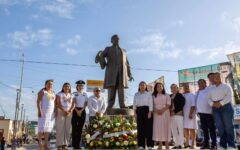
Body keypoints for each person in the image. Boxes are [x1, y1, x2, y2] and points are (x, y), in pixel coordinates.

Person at [95, 34, 134, 109]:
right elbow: (101, 57)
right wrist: (99, 59)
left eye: (118, 39)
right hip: (111, 74)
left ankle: (122, 105)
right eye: (115, 39)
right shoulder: (108, 49)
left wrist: (130, 74)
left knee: (121, 90)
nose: (117, 40)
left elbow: (127, 64)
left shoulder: (123, 51)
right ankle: (110, 106)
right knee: (111, 90)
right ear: (111, 41)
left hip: (122, 74)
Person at [208, 72, 236, 149]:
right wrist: (212, 104)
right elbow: (208, 98)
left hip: (226, 107)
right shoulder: (211, 88)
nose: (217, 77)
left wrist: (221, 103)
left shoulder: (226, 86)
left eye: (218, 76)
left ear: (221, 77)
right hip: (215, 108)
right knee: (220, 127)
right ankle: (222, 145)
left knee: (228, 126)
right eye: (215, 76)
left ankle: (231, 145)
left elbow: (229, 96)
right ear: (213, 78)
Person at [196, 79, 217, 149]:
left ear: (205, 83)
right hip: (201, 114)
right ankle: (206, 144)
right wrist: (197, 112)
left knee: (212, 129)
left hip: (209, 113)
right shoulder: (197, 92)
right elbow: (197, 102)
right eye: (199, 83)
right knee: (204, 130)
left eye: (202, 83)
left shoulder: (209, 90)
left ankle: (214, 144)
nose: (200, 84)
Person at [133, 81, 154, 149]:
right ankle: (141, 145)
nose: (142, 86)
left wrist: (150, 112)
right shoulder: (136, 94)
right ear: (139, 86)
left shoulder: (149, 94)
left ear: (145, 86)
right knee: (140, 129)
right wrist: (135, 113)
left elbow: (151, 103)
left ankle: (150, 145)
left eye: (143, 85)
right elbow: (134, 104)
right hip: (139, 111)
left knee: (149, 128)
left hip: (147, 111)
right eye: (141, 85)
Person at [37, 79, 55, 150]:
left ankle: (46, 144)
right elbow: (38, 101)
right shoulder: (42, 91)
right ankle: (40, 144)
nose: (50, 85)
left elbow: (53, 103)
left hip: (51, 114)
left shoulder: (53, 93)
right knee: (41, 128)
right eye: (49, 84)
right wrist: (39, 110)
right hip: (43, 112)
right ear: (45, 85)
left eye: (51, 84)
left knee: (48, 129)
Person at [56, 83, 75, 150]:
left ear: (70, 88)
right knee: (60, 128)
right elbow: (57, 103)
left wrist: (70, 111)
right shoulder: (59, 94)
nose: (67, 87)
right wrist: (64, 110)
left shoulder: (72, 95)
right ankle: (59, 145)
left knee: (68, 128)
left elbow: (73, 104)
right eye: (65, 86)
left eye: (68, 86)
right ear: (63, 87)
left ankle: (65, 145)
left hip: (69, 113)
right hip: (61, 111)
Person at [152, 82, 171, 150]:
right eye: (158, 86)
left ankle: (166, 144)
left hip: (165, 113)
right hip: (156, 114)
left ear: (163, 87)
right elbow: (152, 105)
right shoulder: (153, 96)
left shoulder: (167, 95)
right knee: (158, 128)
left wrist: (162, 110)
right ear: (156, 88)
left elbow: (168, 104)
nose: (159, 87)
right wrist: (156, 110)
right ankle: (160, 144)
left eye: (160, 86)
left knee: (166, 127)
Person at [71, 80, 88, 149]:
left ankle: (78, 145)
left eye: (81, 86)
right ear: (77, 87)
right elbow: (73, 102)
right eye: (79, 86)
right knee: (74, 128)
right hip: (75, 111)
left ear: (83, 87)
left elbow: (86, 103)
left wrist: (81, 110)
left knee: (80, 129)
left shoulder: (85, 94)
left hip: (82, 111)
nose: (80, 87)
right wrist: (77, 110)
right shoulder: (74, 93)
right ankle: (74, 145)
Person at [170, 84, 185, 149]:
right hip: (171, 115)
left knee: (180, 130)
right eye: (172, 88)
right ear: (171, 89)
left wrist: (175, 111)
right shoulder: (169, 96)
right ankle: (176, 144)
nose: (174, 89)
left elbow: (182, 104)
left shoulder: (180, 95)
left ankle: (181, 144)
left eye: (175, 87)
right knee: (173, 130)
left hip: (178, 114)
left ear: (177, 88)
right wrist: (170, 112)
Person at [183, 83, 197, 149]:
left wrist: (190, 113)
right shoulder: (182, 95)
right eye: (185, 86)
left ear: (189, 87)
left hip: (190, 114)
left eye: (187, 86)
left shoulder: (192, 95)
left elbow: (193, 105)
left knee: (192, 129)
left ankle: (193, 144)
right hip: (183, 115)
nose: (186, 87)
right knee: (185, 129)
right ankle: (187, 143)